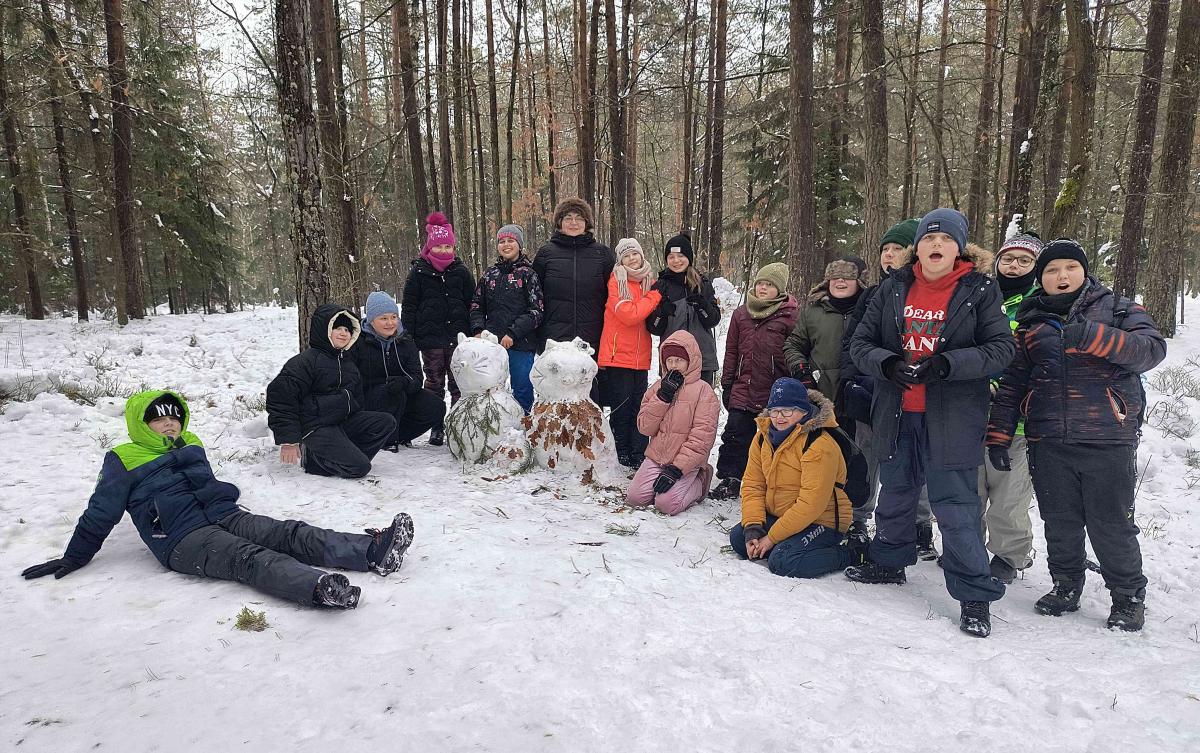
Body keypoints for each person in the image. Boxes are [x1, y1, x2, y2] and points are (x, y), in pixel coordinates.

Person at [20, 391, 414, 610]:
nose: (169, 423)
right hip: (181, 538)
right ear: (141, 424)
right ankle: (318, 587)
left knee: (288, 532)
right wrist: (75, 556)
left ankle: (372, 551)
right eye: (159, 419)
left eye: (174, 417)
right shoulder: (123, 458)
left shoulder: (191, 443)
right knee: (249, 557)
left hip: (223, 514)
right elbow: (100, 513)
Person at [847, 208, 1014, 638]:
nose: (936, 245)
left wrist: (947, 364)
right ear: (916, 248)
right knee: (896, 492)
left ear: (959, 248)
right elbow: (861, 343)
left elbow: (1001, 349)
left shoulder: (980, 289)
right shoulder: (894, 286)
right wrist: (887, 364)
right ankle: (889, 561)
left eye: (945, 240)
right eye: (927, 238)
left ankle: (974, 593)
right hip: (898, 410)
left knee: (955, 505)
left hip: (953, 417)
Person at [987, 239, 1166, 632]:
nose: (1061, 276)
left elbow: (1151, 351)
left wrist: (1092, 336)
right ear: (1041, 278)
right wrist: (999, 435)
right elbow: (1014, 383)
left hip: (1107, 437)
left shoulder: (1118, 309)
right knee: (1059, 520)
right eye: (1051, 270)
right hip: (1048, 438)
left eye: (1070, 267)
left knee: (1110, 522)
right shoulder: (1032, 322)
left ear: (1084, 272)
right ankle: (1066, 585)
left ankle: (1128, 596)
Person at [837, 218, 936, 559]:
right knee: (866, 457)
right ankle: (858, 518)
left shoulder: (929, 294)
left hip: (921, 396)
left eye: (897, 248)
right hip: (875, 391)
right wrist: (852, 381)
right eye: (885, 249)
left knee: (918, 462)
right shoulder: (872, 295)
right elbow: (854, 343)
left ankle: (920, 525)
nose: (889, 255)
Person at [728, 379, 854, 578]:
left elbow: (811, 505)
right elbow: (753, 486)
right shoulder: (762, 438)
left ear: (803, 411)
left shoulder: (819, 444)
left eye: (787, 411)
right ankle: (785, 542)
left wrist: (771, 538)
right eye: (774, 411)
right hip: (783, 515)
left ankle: (850, 553)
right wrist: (753, 528)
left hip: (823, 521)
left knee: (783, 562)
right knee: (739, 539)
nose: (779, 417)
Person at [978, 232, 1044, 583]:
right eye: (1008, 258)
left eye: (1024, 260)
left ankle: (1009, 555)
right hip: (972, 413)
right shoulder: (982, 294)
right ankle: (968, 546)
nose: (1014, 265)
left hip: (1017, 419)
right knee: (970, 489)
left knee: (1009, 494)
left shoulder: (1041, 302)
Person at [267, 304, 397, 478]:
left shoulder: (349, 366)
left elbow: (358, 403)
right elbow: (281, 399)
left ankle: (346, 458)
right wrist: (288, 441)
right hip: (315, 427)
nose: (344, 333)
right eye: (338, 328)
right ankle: (315, 460)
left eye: (347, 330)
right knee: (360, 468)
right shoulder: (306, 361)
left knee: (385, 421)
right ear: (325, 330)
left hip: (340, 424)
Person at [711, 262, 798, 500]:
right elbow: (731, 351)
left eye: (769, 285)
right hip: (743, 387)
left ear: (780, 289)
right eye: (760, 283)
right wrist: (727, 385)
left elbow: (796, 351)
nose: (763, 288)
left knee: (774, 439)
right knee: (735, 435)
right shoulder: (741, 314)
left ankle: (772, 483)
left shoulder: (790, 316)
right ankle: (730, 479)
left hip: (774, 391)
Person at [402, 211, 476, 445]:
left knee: (458, 384)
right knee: (434, 384)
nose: (443, 251)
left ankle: (456, 424)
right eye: (439, 246)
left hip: (457, 340)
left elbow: (472, 304)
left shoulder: (461, 272)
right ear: (430, 246)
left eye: (448, 246)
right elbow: (410, 307)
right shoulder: (419, 272)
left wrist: (473, 331)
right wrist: (409, 337)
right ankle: (436, 426)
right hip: (430, 340)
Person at [626, 332, 719, 515]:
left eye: (679, 360)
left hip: (686, 463)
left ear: (690, 361)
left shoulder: (704, 392)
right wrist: (663, 397)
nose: (674, 365)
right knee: (635, 499)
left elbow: (701, 438)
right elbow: (644, 428)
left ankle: (700, 483)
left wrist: (677, 469)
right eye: (669, 360)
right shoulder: (657, 388)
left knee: (666, 505)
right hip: (657, 457)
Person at [352, 291, 447, 449]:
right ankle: (383, 440)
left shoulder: (405, 340)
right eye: (383, 318)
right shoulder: (358, 342)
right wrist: (381, 387)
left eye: (393, 317)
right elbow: (352, 380)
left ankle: (399, 436)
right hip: (369, 399)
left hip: (400, 394)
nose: (390, 323)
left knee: (436, 406)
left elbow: (417, 377)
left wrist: (404, 382)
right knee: (391, 395)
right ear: (371, 320)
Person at [599, 237, 662, 469]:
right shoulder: (616, 282)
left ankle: (638, 453)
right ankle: (621, 452)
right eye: (626, 256)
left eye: (635, 254)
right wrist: (654, 296)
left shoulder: (649, 281)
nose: (632, 259)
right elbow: (630, 315)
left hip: (640, 357)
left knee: (639, 408)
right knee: (621, 409)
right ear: (620, 260)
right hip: (618, 356)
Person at [470, 224, 545, 414]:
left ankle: (523, 423)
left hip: (521, 344)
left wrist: (513, 333)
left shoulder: (528, 274)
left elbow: (536, 310)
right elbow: (477, 305)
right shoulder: (489, 274)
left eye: (511, 240)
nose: (506, 245)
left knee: (522, 388)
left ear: (519, 244)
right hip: (492, 345)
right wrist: (478, 330)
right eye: (502, 241)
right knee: (492, 388)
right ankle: (494, 424)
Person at [533, 197, 615, 354]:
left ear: (586, 223)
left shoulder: (602, 254)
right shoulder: (545, 254)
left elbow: (612, 295)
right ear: (559, 222)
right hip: (554, 337)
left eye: (579, 218)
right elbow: (535, 297)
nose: (574, 223)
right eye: (568, 218)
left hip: (593, 336)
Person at [783, 257, 865, 401]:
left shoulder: (871, 312)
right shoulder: (812, 313)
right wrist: (802, 371)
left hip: (861, 396)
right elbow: (793, 346)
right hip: (820, 396)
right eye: (835, 276)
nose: (840, 281)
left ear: (860, 281)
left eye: (847, 277)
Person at [646, 233, 722, 385]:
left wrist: (701, 304)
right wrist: (661, 313)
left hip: (702, 360)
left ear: (689, 258)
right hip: (672, 362)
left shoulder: (703, 284)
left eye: (681, 256)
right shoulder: (661, 286)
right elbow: (653, 328)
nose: (676, 261)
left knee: (702, 400)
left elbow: (713, 320)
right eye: (671, 257)